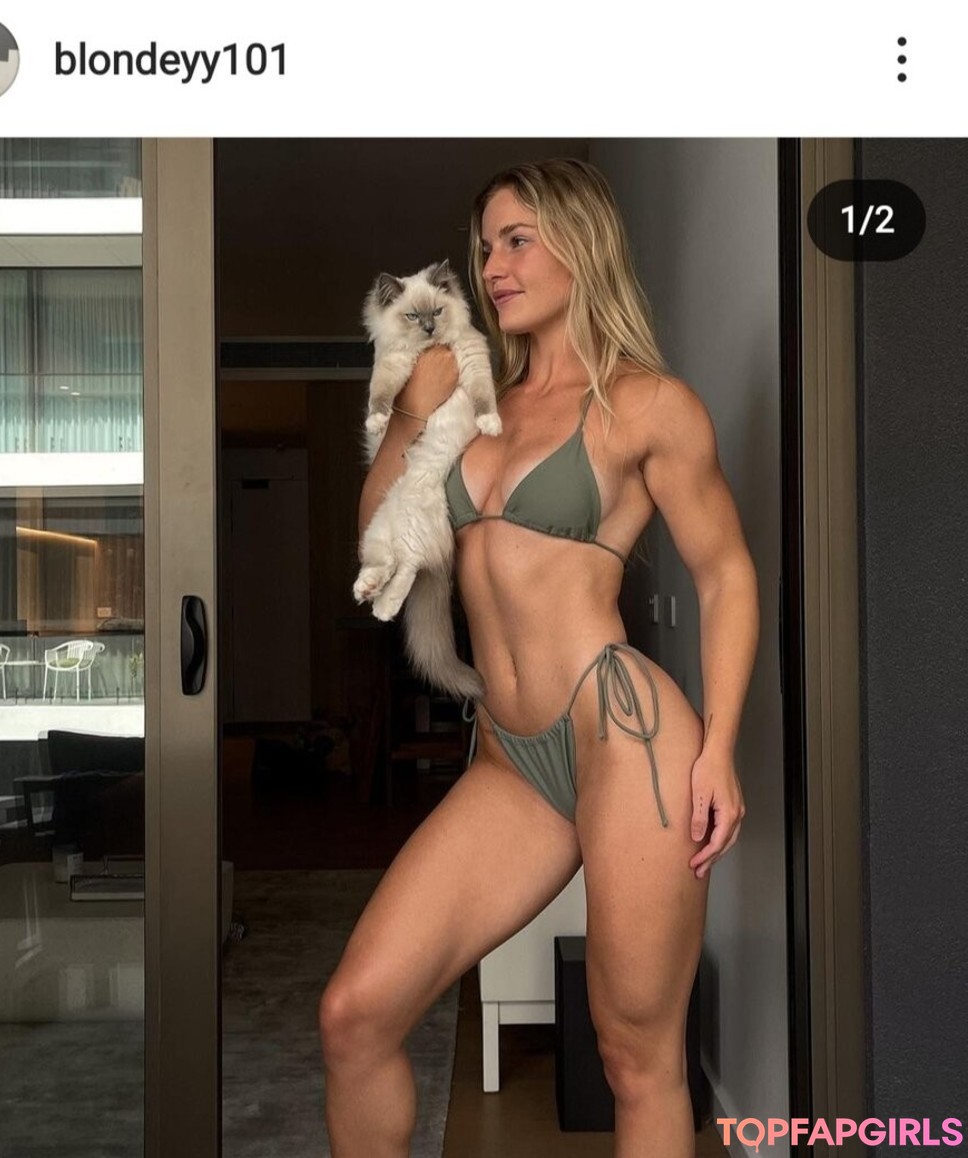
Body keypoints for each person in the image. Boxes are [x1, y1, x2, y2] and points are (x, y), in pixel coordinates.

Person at [320, 158, 759, 1158]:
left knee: (635, 1056)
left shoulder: (648, 405)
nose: (492, 267)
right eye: (485, 247)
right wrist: (409, 411)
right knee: (355, 1014)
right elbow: (378, 533)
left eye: (517, 240)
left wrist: (721, 748)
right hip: (507, 754)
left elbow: (726, 576)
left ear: (582, 243)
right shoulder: (470, 404)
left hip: (624, 738)